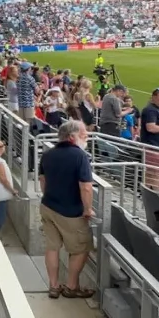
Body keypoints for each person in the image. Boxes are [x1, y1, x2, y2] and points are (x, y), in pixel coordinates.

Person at [38, 120, 95, 300]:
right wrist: (88, 209)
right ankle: (71, 286)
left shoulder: (47, 154)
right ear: (72, 136)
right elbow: (86, 187)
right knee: (81, 248)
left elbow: (42, 181)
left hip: (48, 206)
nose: (86, 136)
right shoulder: (80, 156)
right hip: (71, 212)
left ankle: (53, 286)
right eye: (83, 133)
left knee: (52, 247)